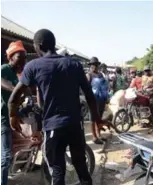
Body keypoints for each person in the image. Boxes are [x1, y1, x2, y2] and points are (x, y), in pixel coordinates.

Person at [8, 29, 101, 185]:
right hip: (75, 126)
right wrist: (97, 119)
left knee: (57, 172)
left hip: (53, 128)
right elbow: (90, 96)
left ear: (40, 45)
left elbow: (14, 98)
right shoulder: (74, 64)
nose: (35, 49)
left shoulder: (33, 66)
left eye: (35, 46)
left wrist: (13, 115)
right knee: (82, 168)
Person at [1, 41, 26, 185]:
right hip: (3, 118)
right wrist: (14, 89)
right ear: (10, 57)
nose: (22, 61)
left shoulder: (17, 75)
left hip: (13, 117)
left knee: (20, 146)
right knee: (5, 156)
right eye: (19, 58)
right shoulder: (4, 69)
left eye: (24, 58)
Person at [87, 57, 109, 144]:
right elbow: (86, 89)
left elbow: (105, 87)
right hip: (93, 100)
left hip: (101, 100)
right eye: (93, 65)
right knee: (92, 119)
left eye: (96, 64)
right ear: (90, 66)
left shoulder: (100, 75)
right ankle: (94, 137)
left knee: (99, 118)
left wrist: (106, 97)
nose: (95, 66)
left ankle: (99, 135)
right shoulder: (89, 75)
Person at [142, 65, 153, 130]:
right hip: (144, 95)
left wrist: (151, 89)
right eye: (145, 71)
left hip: (151, 95)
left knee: (151, 108)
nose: (147, 72)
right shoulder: (143, 77)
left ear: (150, 71)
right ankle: (148, 121)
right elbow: (142, 85)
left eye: (148, 70)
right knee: (144, 108)